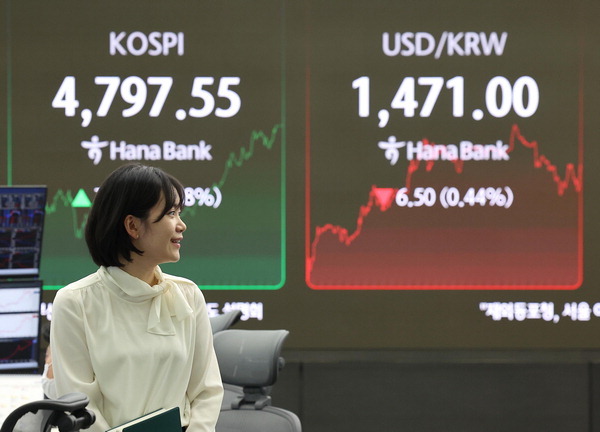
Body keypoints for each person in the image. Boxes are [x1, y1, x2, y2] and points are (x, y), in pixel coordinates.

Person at [50, 164, 223, 432]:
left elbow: (207, 391)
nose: (182, 225)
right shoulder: (75, 302)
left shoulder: (188, 294)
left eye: (179, 213)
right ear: (132, 225)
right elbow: (81, 409)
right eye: (171, 213)